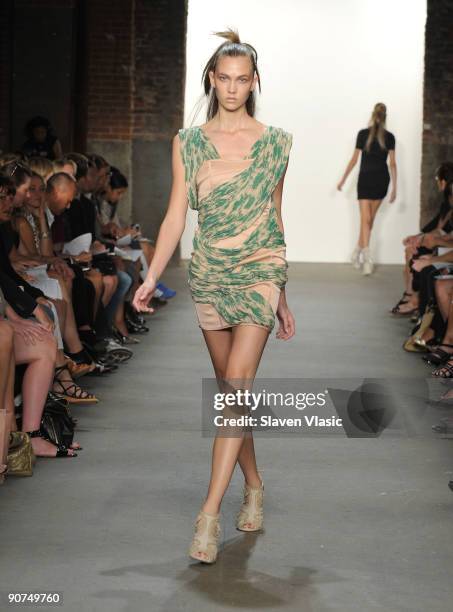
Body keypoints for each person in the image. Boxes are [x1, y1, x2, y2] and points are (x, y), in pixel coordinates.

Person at [133, 29, 295, 564]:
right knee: (232, 393)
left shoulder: (276, 142)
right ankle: (253, 484)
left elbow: (274, 212)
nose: (232, 88)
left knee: (237, 388)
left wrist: (282, 293)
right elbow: (177, 212)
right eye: (223, 78)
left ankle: (208, 515)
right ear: (211, 79)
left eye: (241, 79)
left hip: (260, 271)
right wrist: (152, 275)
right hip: (211, 273)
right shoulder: (189, 141)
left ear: (254, 82)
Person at [337, 102, 397, 275]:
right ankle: (367, 258)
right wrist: (394, 187)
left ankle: (357, 251)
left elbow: (355, 160)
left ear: (373, 115)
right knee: (367, 220)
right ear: (385, 117)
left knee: (367, 221)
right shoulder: (369, 135)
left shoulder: (375, 135)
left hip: (372, 180)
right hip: (376, 181)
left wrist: (342, 180)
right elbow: (392, 164)